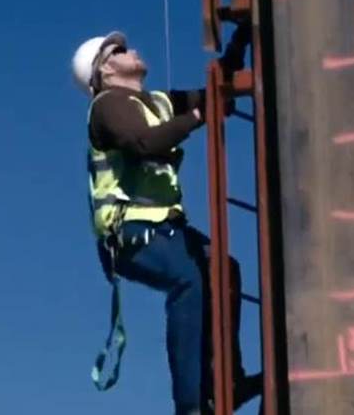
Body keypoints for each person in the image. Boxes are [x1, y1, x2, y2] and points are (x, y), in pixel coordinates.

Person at [71, 26, 258, 414]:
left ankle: (226, 378)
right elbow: (144, 143)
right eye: (119, 51)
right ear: (105, 72)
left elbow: (210, 93)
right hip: (130, 232)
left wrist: (241, 40)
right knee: (188, 279)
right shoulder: (108, 106)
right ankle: (189, 404)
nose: (131, 50)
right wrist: (195, 116)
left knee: (224, 270)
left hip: (163, 227)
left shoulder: (154, 102)